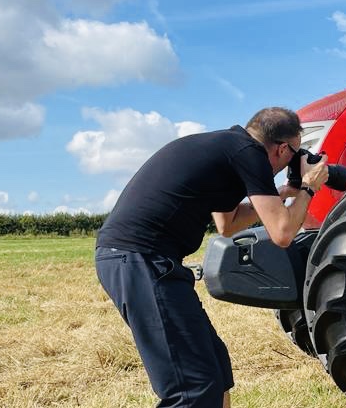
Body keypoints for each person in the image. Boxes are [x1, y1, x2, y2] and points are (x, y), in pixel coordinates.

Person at [94, 107, 329, 408]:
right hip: (140, 259)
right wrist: (309, 187)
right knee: (193, 387)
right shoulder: (249, 154)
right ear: (283, 148)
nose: (292, 162)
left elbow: (227, 225)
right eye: (295, 153)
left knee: (215, 374)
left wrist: (283, 193)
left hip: (144, 260)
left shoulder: (229, 149)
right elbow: (282, 232)